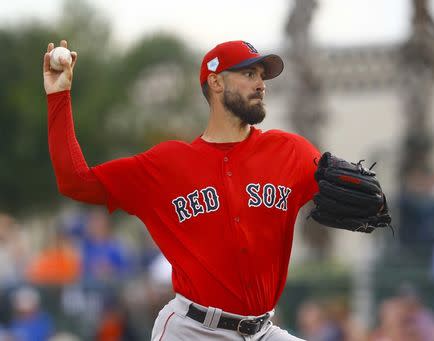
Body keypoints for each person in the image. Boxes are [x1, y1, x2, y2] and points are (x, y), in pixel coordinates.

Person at [43, 39, 324, 340]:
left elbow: (353, 191)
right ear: (215, 81)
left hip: (262, 330)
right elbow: (75, 181)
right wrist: (59, 96)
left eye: (261, 75)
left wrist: (371, 200)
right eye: (248, 73)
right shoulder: (167, 165)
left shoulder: (290, 151)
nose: (260, 84)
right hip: (193, 330)